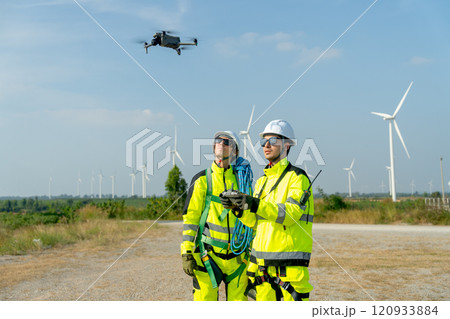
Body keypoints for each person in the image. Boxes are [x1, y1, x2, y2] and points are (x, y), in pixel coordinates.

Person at [220, 119, 314, 301]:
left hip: (290, 271)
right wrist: (238, 209)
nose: (266, 145)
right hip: (262, 272)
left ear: (287, 145)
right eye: (264, 141)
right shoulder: (262, 182)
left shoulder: (297, 178)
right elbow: (256, 223)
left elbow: (290, 214)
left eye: (273, 141)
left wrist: (253, 203)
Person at [181, 131, 252, 301]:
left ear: (235, 152)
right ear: (213, 147)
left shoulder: (243, 182)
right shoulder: (201, 180)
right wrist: (186, 251)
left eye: (228, 142)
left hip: (238, 260)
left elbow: (252, 220)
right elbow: (190, 219)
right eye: (219, 140)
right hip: (208, 257)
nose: (222, 143)